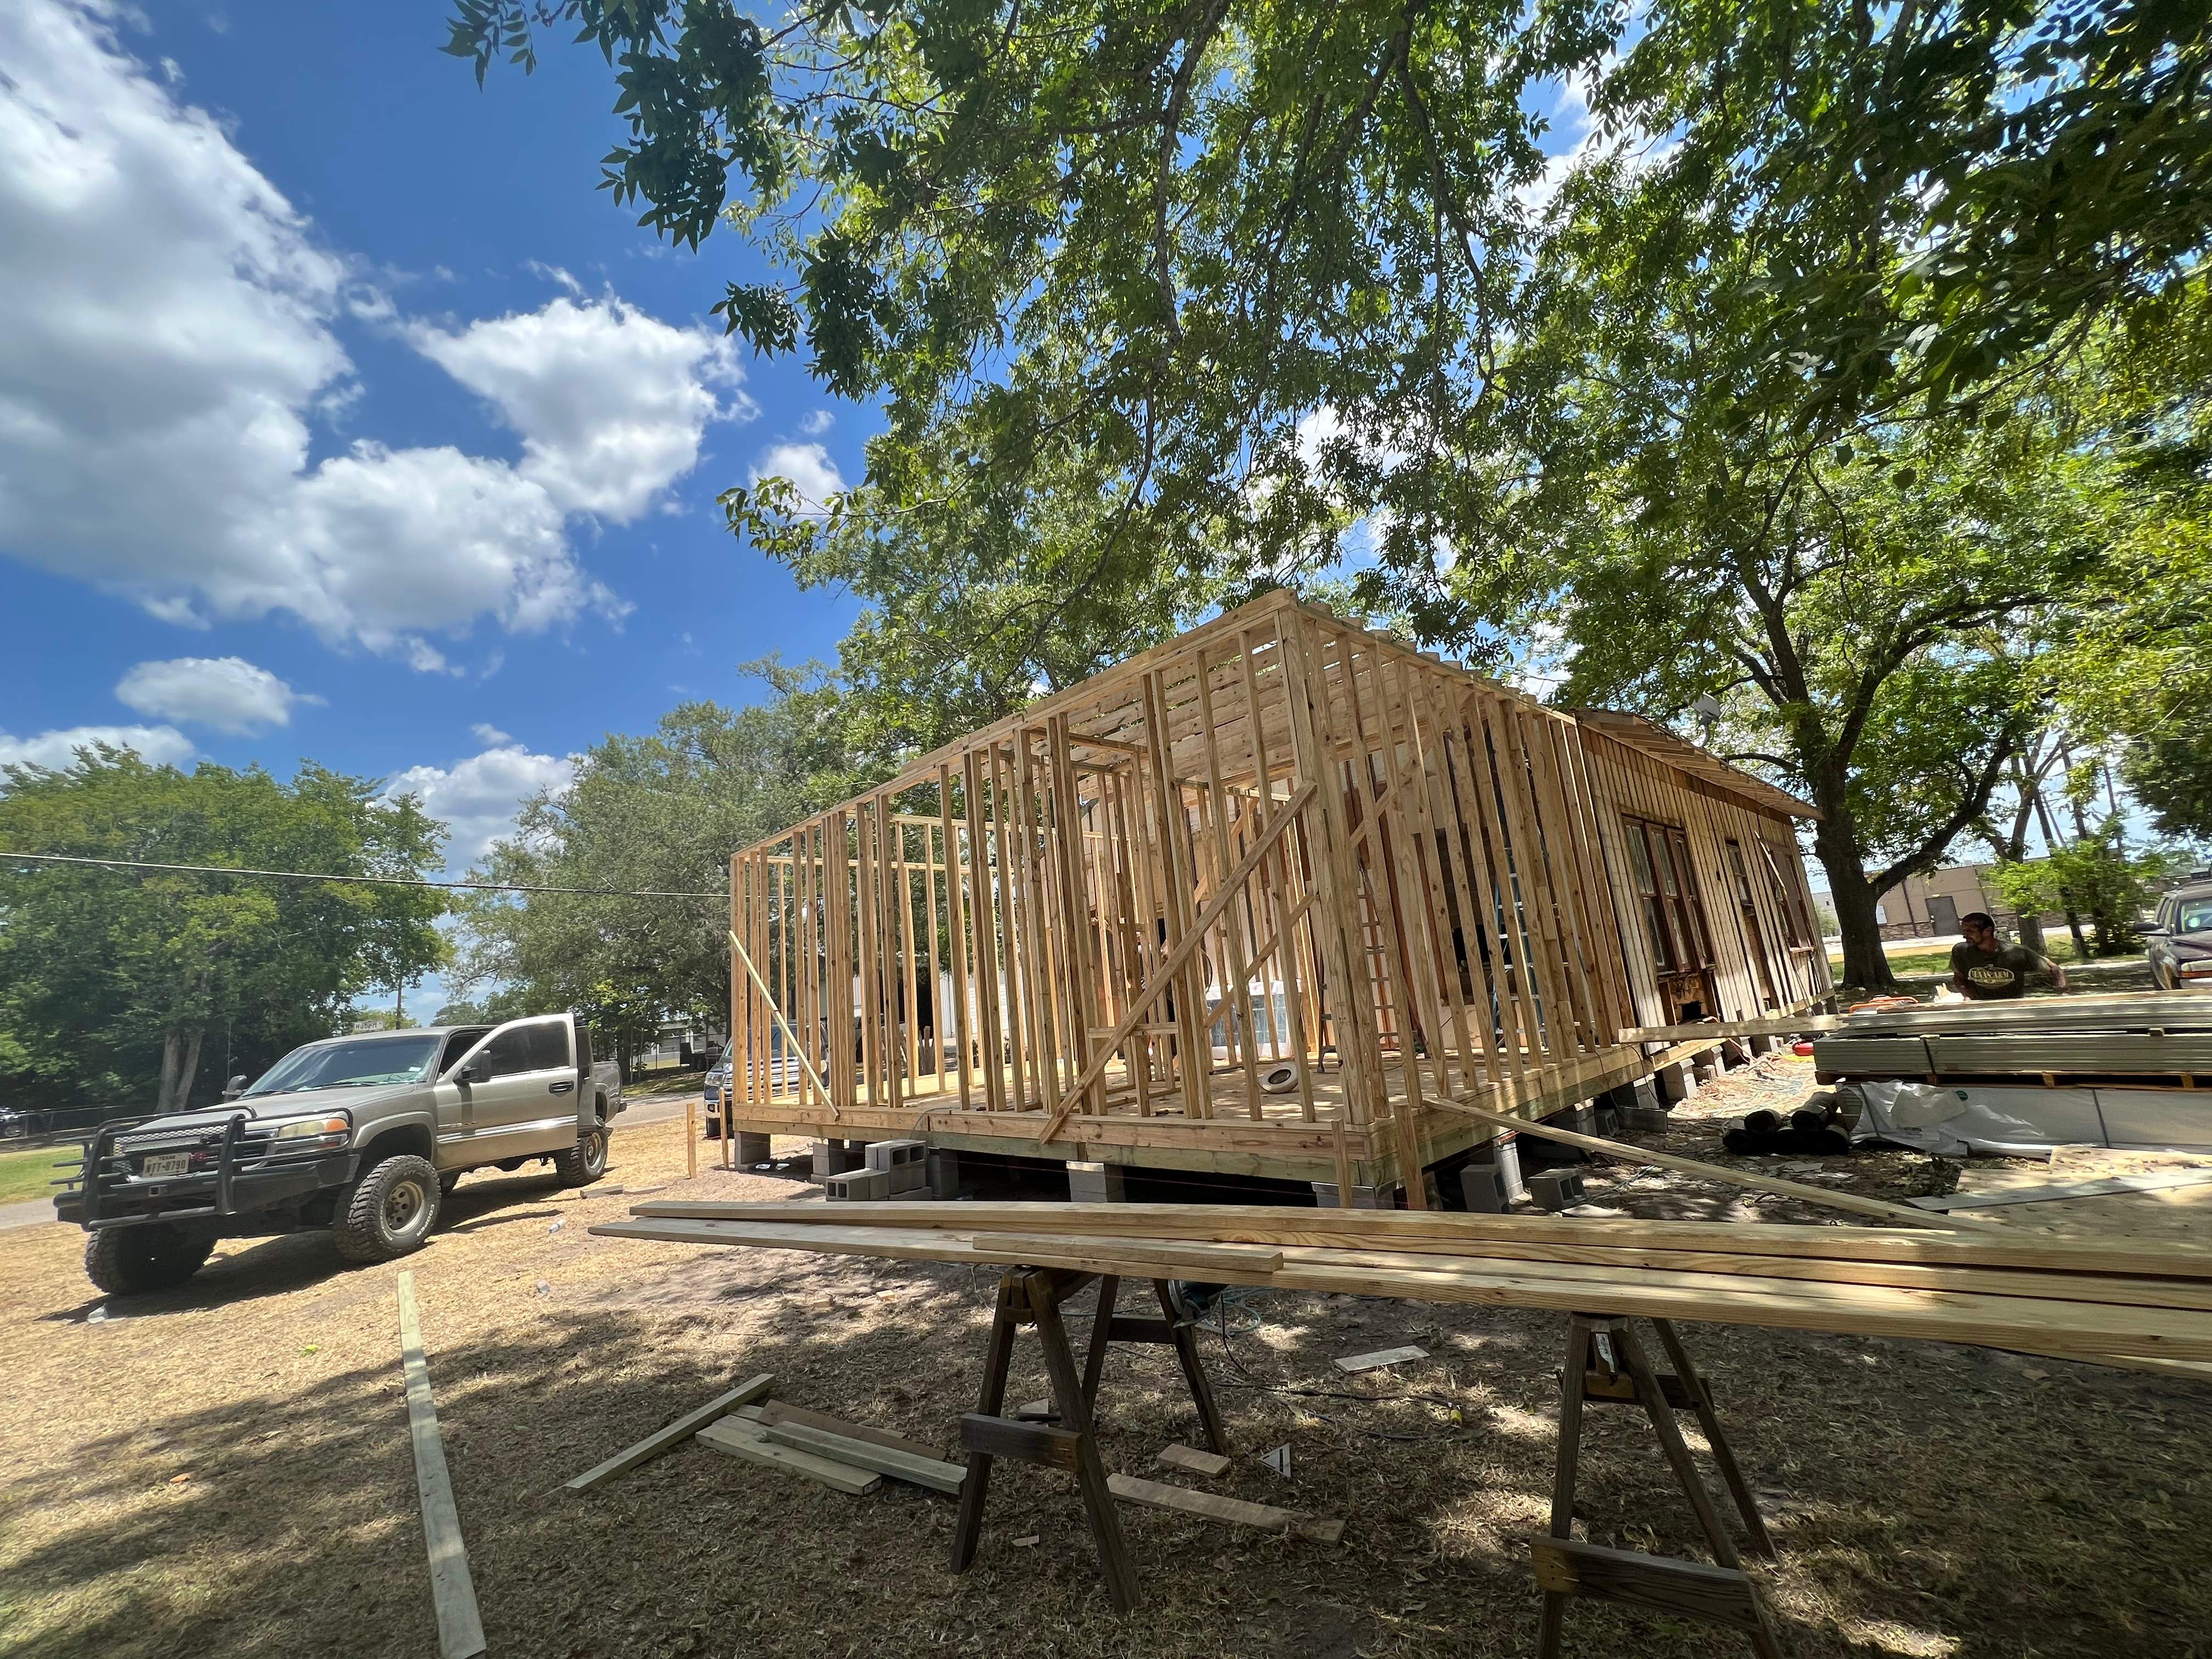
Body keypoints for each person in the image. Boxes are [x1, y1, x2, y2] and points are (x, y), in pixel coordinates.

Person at [1948, 911, 2068, 1000]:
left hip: (2013, 1006)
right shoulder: (1960, 951)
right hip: (1980, 1008)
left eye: (1971, 932)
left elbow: (2055, 970)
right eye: (1964, 931)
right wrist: (1968, 997)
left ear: (1988, 931)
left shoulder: (2016, 952)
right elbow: (1959, 978)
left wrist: (2063, 993)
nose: (1965, 935)